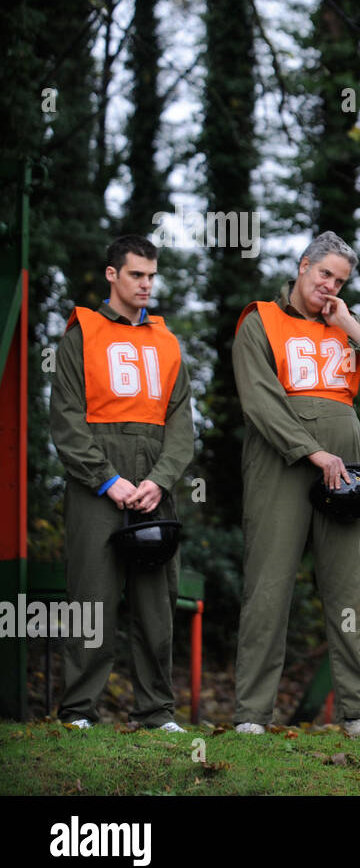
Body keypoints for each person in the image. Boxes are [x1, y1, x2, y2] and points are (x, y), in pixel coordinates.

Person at [232, 231, 360, 739]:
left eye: (340, 280)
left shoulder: (344, 323)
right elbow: (259, 401)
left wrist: (351, 324)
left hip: (345, 459)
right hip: (281, 458)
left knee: (350, 585)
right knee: (268, 584)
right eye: (323, 274)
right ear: (303, 265)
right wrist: (313, 452)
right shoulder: (259, 320)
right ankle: (252, 714)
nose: (329, 286)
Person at [51, 235, 194, 732]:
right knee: (91, 599)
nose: (146, 285)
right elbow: (66, 422)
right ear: (112, 275)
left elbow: (182, 427)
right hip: (97, 484)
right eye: (136, 275)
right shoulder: (80, 336)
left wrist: (159, 480)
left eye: (152, 276)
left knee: (157, 603)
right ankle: (78, 711)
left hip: (156, 485)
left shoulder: (168, 341)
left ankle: (156, 713)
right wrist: (106, 479)